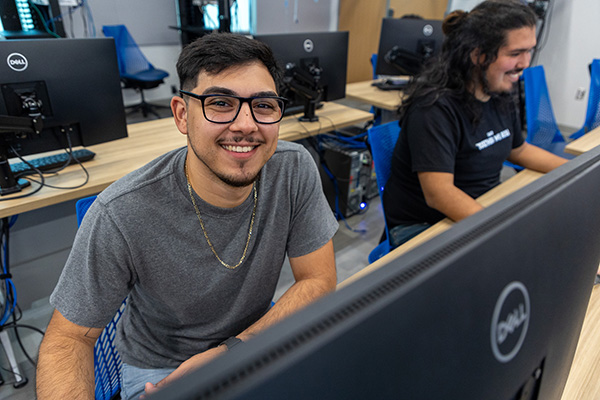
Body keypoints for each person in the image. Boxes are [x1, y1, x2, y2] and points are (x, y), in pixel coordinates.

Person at [36, 32, 338, 400]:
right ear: (182, 114)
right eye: (221, 103)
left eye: (263, 105)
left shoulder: (293, 169)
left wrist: (230, 350)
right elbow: (67, 341)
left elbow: (318, 280)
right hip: (161, 369)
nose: (246, 124)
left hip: (250, 340)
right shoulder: (121, 211)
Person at [382, 0, 568, 249]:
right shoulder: (434, 108)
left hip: (482, 206)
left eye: (529, 51)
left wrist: (577, 170)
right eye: (515, 54)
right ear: (478, 55)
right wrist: (502, 230)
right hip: (425, 228)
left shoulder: (500, 91)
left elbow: (519, 150)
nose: (525, 63)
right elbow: (439, 194)